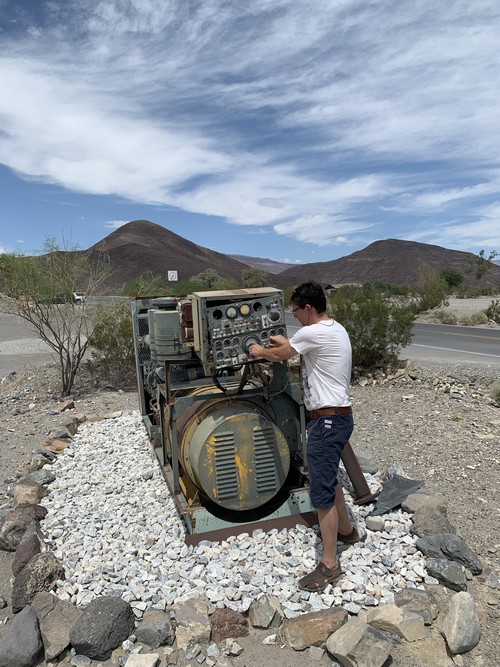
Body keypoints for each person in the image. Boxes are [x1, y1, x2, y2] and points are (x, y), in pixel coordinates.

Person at [249, 281, 364, 592]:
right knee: (330, 479)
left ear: (308, 308)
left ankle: (329, 565)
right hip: (339, 418)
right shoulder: (334, 328)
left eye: (296, 310)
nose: (295, 315)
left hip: (326, 422)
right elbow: (292, 345)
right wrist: (282, 343)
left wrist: (257, 349)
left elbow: (280, 354)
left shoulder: (311, 333)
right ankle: (346, 530)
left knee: (322, 493)